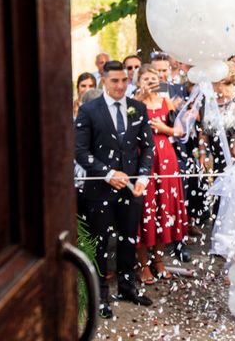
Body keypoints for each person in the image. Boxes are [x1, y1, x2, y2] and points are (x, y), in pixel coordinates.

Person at [75, 60, 154, 319]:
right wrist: (107, 174)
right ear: (104, 82)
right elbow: (79, 151)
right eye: (114, 81)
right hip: (99, 189)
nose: (120, 86)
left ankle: (127, 287)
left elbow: (148, 148)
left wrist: (142, 177)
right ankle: (100, 295)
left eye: (124, 80)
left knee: (128, 239)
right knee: (99, 244)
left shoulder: (138, 108)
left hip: (131, 189)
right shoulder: (89, 110)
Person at [134, 65, 189, 284]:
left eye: (153, 78)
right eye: (145, 78)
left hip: (166, 158)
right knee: (146, 207)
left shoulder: (167, 102)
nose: (150, 82)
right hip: (143, 157)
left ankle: (159, 261)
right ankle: (143, 265)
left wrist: (162, 128)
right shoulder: (134, 104)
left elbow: (181, 131)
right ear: (139, 81)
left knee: (164, 207)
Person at [201, 65, 235, 174]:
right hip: (218, 156)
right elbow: (204, 131)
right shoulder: (210, 101)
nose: (210, 86)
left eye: (212, 83)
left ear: (220, 83)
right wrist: (203, 154)